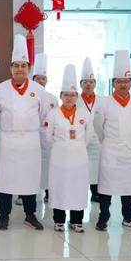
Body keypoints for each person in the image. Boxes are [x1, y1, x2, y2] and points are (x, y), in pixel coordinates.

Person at [0, 35, 49, 231]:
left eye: (23, 66)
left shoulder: (38, 90)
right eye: (16, 65)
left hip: (30, 142)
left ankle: (30, 215)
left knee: (29, 180)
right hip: (8, 141)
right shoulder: (0, 90)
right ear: (10, 68)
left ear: (29, 68)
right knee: (6, 181)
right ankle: (4, 215)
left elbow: (44, 114)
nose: (19, 69)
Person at [94, 50, 131, 232]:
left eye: (126, 81)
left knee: (129, 185)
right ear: (113, 84)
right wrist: (110, 142)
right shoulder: (104, 103)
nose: (123, 85)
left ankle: (129, 217)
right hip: (111, 149)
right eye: (119, 81)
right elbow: (98, 127)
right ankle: (103, 217)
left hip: (130, 150)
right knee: (106, 185)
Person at [44, 65, 92, 233]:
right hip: (59, 158)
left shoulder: (84, 114)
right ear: (61, 96)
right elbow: (48, 136)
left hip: (79, 158)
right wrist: (62, 146)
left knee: (78, 188)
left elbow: (89, 135)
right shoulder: (53, 114)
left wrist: (76, 146)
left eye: (72, 95)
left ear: (77, 96)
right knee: (59, 187)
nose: (69, 98)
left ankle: (76, 220)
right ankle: (59, 220)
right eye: (66, 95)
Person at [32, 53, 59, 203]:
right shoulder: (28, 96)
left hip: (48, 138)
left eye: (43, 78)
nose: (41, 81)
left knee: (49, 166)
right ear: (33, 80)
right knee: (32, 167)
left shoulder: (53, 99)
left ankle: (49, 192)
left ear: (47, 81)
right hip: (32, 137)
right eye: (38, 79)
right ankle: (28, 195)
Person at [77, 57, 102, 203]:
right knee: (80, 167)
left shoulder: (102, 101)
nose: (88, 84)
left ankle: (95, 192)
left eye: (91, 82)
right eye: (85, 82)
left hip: (97, 141)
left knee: (96, 167)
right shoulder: (75, 101)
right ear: (81, 84)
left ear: (95, 84)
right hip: (81, 140)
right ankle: (80, 192)